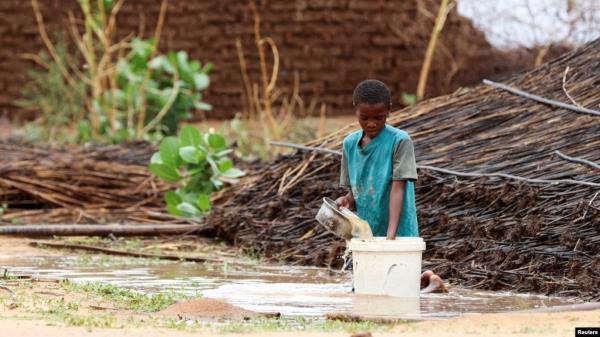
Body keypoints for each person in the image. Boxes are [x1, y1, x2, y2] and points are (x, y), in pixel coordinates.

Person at [336, 79, 418, 240]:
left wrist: (391, 237)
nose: (371, 124)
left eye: (378, 118)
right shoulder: (350, 144)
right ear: (356, 109)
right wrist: (347, 200)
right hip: (368, 235)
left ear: (388, 110)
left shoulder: (399, 141)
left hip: (399, 234)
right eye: (364, 118)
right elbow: (358, 190)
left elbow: (398, 188)